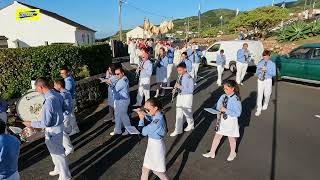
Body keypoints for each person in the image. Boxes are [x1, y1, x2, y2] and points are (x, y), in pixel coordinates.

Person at [23, 78, 72, 180]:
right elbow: (63, 108)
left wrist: (31, 123)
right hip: (57, 127)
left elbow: (46, 122)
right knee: (54, 152)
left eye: (36, 89)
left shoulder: (49, 100)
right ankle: (59, 169)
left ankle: (65, 176)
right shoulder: (56, 94)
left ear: (40, 87)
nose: (36, 91)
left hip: (53, 129)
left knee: (58, 153)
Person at [202, 80, 242, 162]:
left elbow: (238, 113)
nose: (225, 90)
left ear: (233, 89)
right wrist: (217, 111)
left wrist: (225, 110)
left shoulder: (236, 99)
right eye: (224, 88)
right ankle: (212, 152)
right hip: (222, 120)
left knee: (231, 138)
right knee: (217, 136)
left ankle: (233, 153)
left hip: (231, 121)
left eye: (227, 89)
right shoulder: (223, 96)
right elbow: (218, 105)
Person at [136, 98, 169, 180]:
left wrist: (141, 119)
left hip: (156, 148)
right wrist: (144, 114)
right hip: (152, 145)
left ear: (155, 108)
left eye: (147, 109)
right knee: (145, 169)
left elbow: (143, 131)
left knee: (158, 172)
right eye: (145, 109)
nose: (146, 111)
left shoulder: (158, 120)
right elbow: (152, 118)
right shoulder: (158, 115)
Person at [170, 63, 194, 137]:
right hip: (180, 95)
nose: (178, 72)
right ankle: (178, 130)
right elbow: (178, 84)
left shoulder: (189, 77)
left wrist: (180, 87)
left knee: (187, 112)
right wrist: (175, 89)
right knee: (178, 113)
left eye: (180, 70)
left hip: (187, 96)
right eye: (178, 70)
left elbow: (191, 90)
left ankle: (191, 124)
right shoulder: (180, 76)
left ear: (185, 69)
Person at [54, 79, 75, 156]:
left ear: (59, 85)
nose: (54, 86)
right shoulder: (65, 92)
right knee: (65, 130)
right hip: (67, 114)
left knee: (62, 132)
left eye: (55, 85)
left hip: (65, 115)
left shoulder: (63, 94)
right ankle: (68, 146)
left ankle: (69, 148)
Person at [108, 67, 131, 136]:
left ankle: (128, 129)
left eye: (118, 74)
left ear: (122, 73)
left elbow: (115, 89)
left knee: (123, 115)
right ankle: (117, 130)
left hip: (123, 100)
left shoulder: (123, 80)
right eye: (115, 74)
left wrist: (110, 84)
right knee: (117, 115)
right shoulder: (121, 78)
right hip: (118, 100)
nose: (116, 75)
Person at [255, 50, 276, 117]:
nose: (265, 57)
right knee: (260, 95)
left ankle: (266, 103)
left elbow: (274, 74)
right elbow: (256, 73)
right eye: (264, 56)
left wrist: (267, 70)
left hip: (268, 80)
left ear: (269, 56)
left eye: (267, 56)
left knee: (267, 94)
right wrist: (259, 70)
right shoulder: (260, 62)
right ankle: (259, 109)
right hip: (260, 80)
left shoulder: (272, 64)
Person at [60, 66, 79, 136]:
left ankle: (74, 129)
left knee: (70, 116)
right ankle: (74, 129)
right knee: (71, 115)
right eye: (61, 73)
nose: (61, 75)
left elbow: (66, 92)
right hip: (71, 99)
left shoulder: (68, 81)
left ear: (68, 72)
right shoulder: (69, 78)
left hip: (70, 100)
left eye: (63, 73)